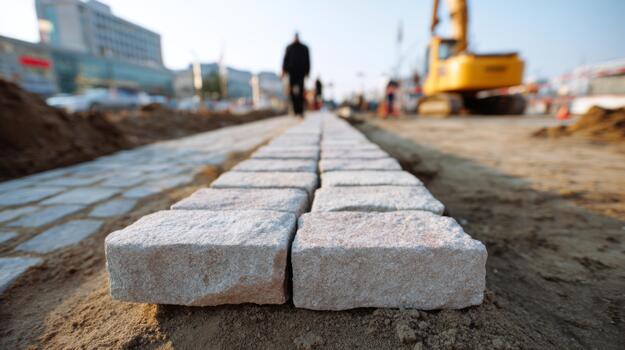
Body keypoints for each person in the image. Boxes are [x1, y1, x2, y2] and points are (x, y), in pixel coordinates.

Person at [282, 33, 310, 117]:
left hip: (301, 72)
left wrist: (307, 72)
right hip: (291, 72)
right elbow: (285, 59)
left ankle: (300, 110)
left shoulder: (304, 48)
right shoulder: (289, 47)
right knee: (292, 92)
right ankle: (295, 110)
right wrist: (284, 70)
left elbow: (308, 60)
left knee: (301, 91)